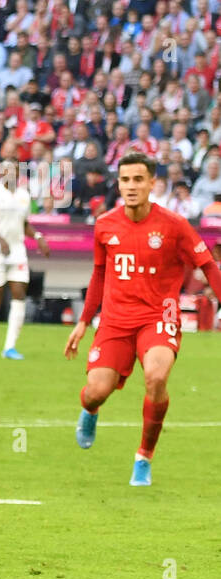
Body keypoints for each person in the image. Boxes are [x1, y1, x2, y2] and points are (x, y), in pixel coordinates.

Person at [64, 152, 221, 486]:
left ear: (153, 183)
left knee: (156, 377)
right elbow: (99, 274)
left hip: (158, 317)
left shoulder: (174, 225)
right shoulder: (105, 225)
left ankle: (143, 458)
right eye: (125, 180)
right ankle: (90, 411)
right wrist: (83, 321)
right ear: (118, 183)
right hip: (115, 321)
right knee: (95, 391)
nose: (131, 186)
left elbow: (207, 264)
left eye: (138, 179)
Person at [0, 160, 50, 356]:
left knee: (19, 294)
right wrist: (0, 240)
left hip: (17, 252)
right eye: (7, 170)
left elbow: (24, 223)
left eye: (14, 170)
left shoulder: (23, 195)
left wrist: (38, 237)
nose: (11, 174)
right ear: (0, 173)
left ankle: (9, 347)